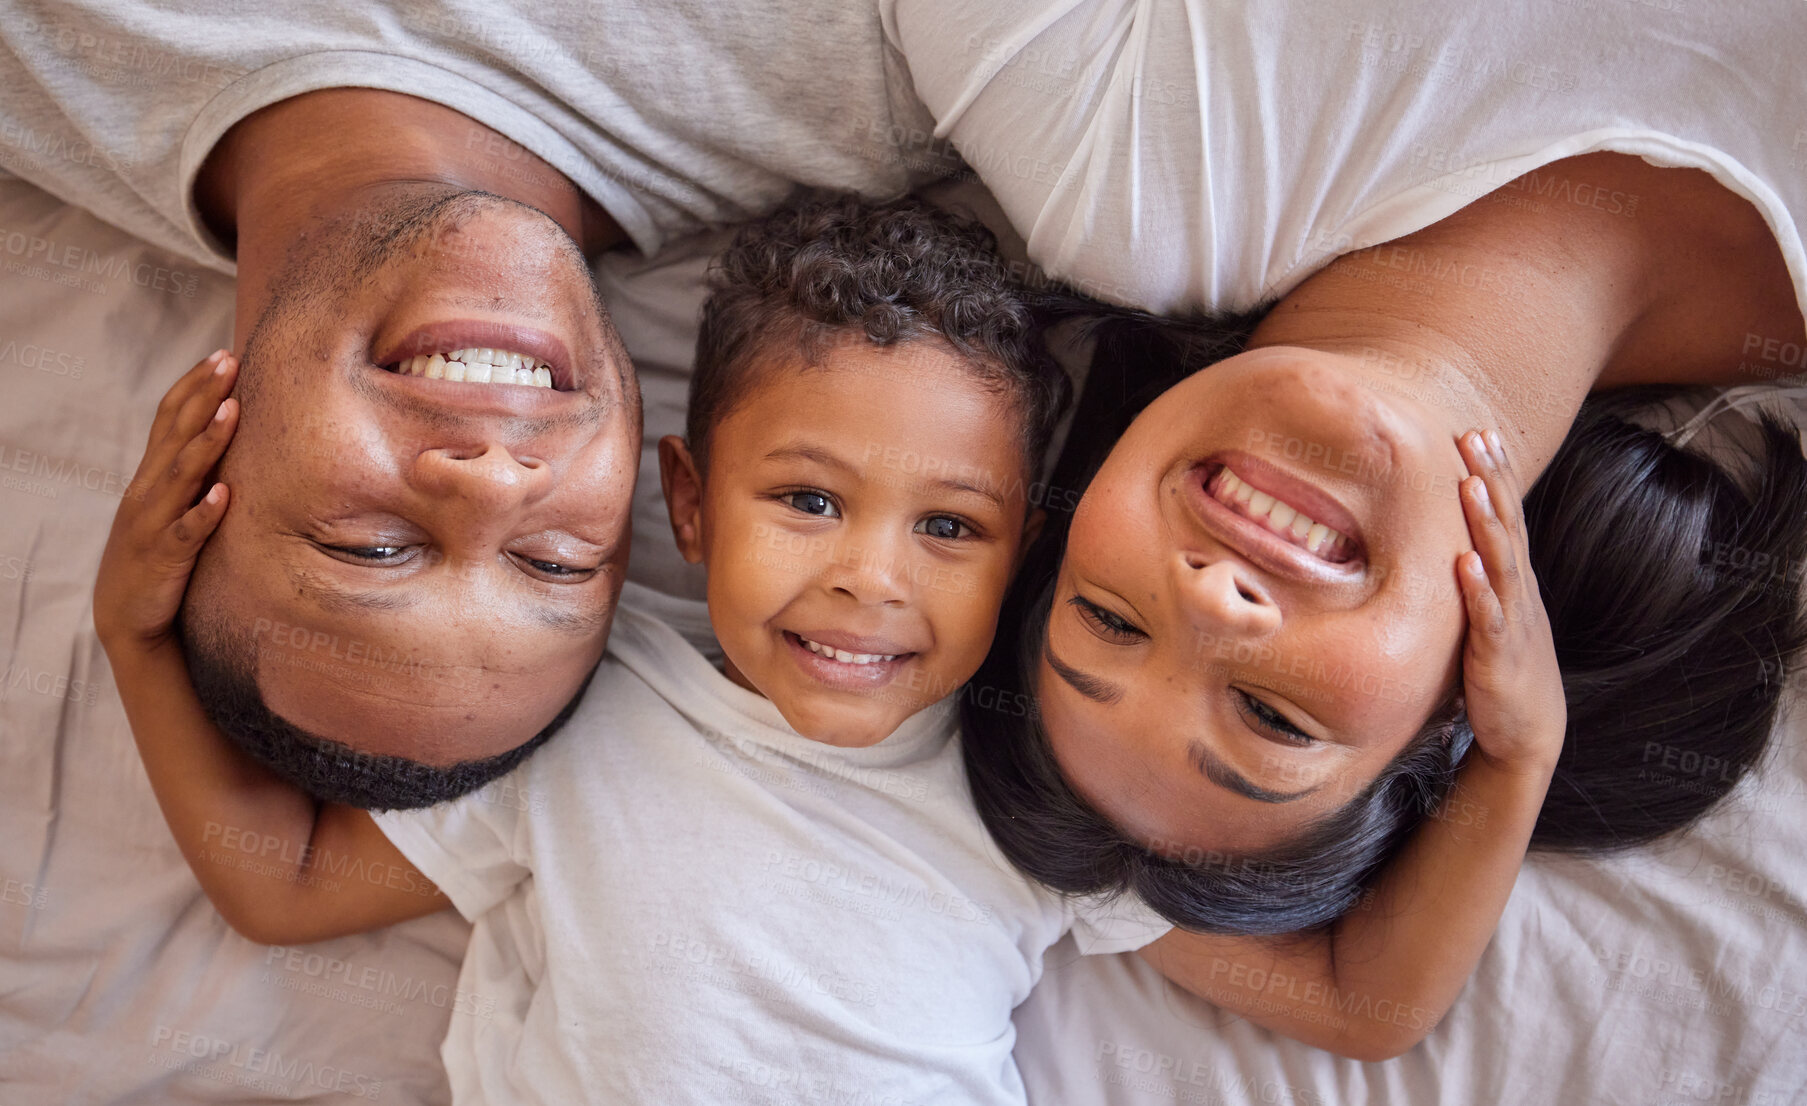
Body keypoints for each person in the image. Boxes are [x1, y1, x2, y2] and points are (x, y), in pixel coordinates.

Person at [96, 196, 1568, 1101]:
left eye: (949, 528)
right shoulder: (580, 725)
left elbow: (1367, 1004)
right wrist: (134, 626)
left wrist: (1517, 751)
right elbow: (276, 883)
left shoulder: (1032, 799)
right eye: (806, 500)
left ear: (1028, 541)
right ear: (686, 499)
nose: (869, 581)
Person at [3, 0, 946, 797]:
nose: (494, 483)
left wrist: (133, 632)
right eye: (552, 560)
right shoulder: (890, 82)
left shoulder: (41, 64)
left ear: (189, 473)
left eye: (370, 548)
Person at [959, 151, 1807, 940]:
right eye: (1269, 715)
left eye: (1110, 622)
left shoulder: (1124, 161)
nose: (1211, 600)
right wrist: (1518, 761)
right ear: (1456, 710)